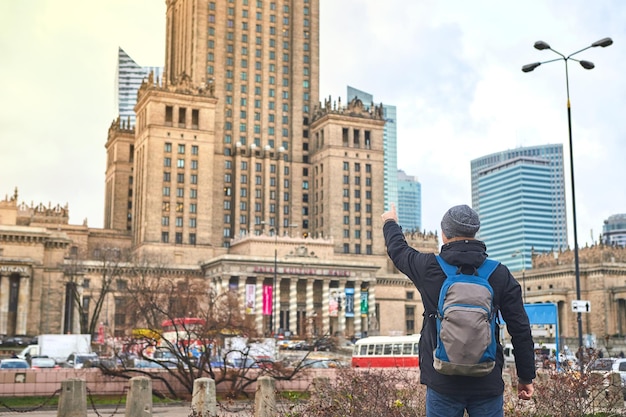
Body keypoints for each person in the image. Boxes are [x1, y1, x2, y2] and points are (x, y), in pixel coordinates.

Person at [382, 203, 535, 417]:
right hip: (487, 381)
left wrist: (390, 222)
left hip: (442, 380)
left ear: (444, 235)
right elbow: (520, 329)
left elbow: (397, 250)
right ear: (475, 232)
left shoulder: (428, 268)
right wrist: (526, 377)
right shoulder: (499, 273)